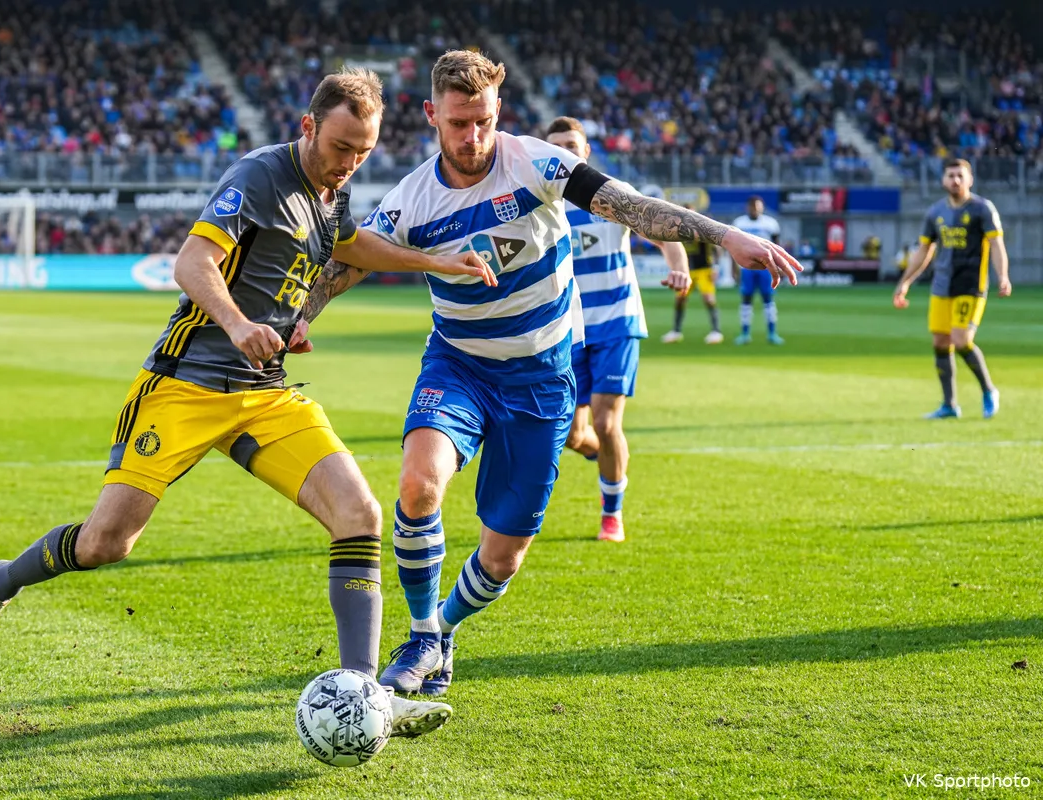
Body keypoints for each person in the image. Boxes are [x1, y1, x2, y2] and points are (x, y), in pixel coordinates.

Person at [0, 69, 496, 737]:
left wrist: (436, 261)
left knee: (360, 513)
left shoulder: (331, 192)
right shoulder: (259, 175)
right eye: (341, 146)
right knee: (106, 542)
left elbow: (351, 244)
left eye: (364, 153)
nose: (349, 164)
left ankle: (369, 693)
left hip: (262, 393)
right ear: (309, 126)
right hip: (187, 386)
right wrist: (236, 324)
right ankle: (1, 582)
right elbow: (193, 262)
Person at [297, 51, 802, 696]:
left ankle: (446, 632)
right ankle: (423, 636)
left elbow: (633, 206)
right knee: (418, 485)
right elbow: (350, 265)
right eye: (458, 124)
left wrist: (724, 237)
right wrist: (301, 315)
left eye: (482, 121)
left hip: (541, 377)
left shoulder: (537, 162)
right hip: (458, 365)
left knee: (502, 555)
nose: (473, 137)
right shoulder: (412, 198)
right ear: (432, 117)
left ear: (498, 111)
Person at [543, 116, 691, 542]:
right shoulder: (541, 202)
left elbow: (665, 233)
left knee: (607, 424)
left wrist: (678, 270)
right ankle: (610, 459)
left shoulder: (613, 193)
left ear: (586, 151)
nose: (566, 152)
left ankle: (612, 514)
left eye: (572, 144)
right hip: (569, 330)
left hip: (617, 321)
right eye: (557, 147)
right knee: (574, 435)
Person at [893, 158, 1011, 419]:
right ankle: (949, 405)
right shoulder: (935, 213)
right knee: (940, 342)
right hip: (941, 286)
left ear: (970, 179)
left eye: (960, 175)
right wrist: (905, 283)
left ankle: (989, 390)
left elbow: (996, 245)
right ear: (943, 180)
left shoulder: (982, 209)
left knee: (961, 340)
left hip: (970, 286)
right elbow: (924, 251)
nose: (955, 180)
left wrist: (1003, 275)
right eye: (950, 175)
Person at [663, 204, 723, 345]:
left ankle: (716, 331)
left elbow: (716, 249)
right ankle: (676, 331)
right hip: (686, 270)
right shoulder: (677, 230)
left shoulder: (703, 229)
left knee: (708, 299)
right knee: (680, 299)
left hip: (704, 269)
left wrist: (716, 267)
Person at [731, 196, 784, 345]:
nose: (755, 209)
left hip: (765, 268)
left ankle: (772, 333)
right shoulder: (739, 223)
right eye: (752, 206)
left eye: (757, 206)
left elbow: (777, 247)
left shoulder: (770, 224)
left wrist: (779, 266)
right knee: (746, 300)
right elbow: (733, 248)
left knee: (768, 300)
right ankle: (745, 333)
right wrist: (733, 268)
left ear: (762, 207)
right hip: (746, 268)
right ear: (747, 207)